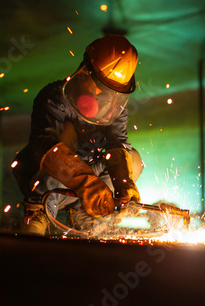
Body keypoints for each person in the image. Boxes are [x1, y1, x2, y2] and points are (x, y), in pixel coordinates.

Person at [12, 35, 144, 236]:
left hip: (92, 184)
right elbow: (45, 145)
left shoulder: (114, 109)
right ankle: (38, 211)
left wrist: (124, 186)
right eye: (100, 86)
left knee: (131, 159)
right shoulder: (54, 97)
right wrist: (86, 182)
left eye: (111, 92)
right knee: (67, 134)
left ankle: (86, 216)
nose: (103, 96)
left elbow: (117, 144)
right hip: (51, 183)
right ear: (84, 71)